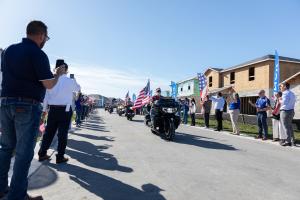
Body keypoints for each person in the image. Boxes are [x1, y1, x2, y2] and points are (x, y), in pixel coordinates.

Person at [0, 21, 64, 200]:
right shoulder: (38, 53)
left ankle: (1, 188)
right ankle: (17, 196)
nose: (45, 41)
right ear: (42, 35)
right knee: (23, 153)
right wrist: (58, 73)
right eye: (46, 37)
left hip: (5, 103)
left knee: (6, 148)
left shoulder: (8, 50)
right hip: (26, 106)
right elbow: (49, 84)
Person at [38, 61, 81, 164]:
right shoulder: (69, 81)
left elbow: (46, 98)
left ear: (56, 68)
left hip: (52, 110)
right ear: (66, 70)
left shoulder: (51, 80)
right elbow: (78, 89)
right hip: (65, 110)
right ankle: (60, 156)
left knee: (48, 133)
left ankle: (42, 153)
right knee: (62, 135)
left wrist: (44, 111)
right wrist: (73, 80)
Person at [279, 82, 296, 146]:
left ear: (285, 87)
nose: (280, 87)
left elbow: (284, 103)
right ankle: (292, 140)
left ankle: (288, 141)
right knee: (289, 126)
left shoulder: (285, 93)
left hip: (285, 111)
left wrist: (279, 99)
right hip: (291, 110)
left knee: (285, 126)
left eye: (281, 86)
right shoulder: (292, 93)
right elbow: (293, 101)